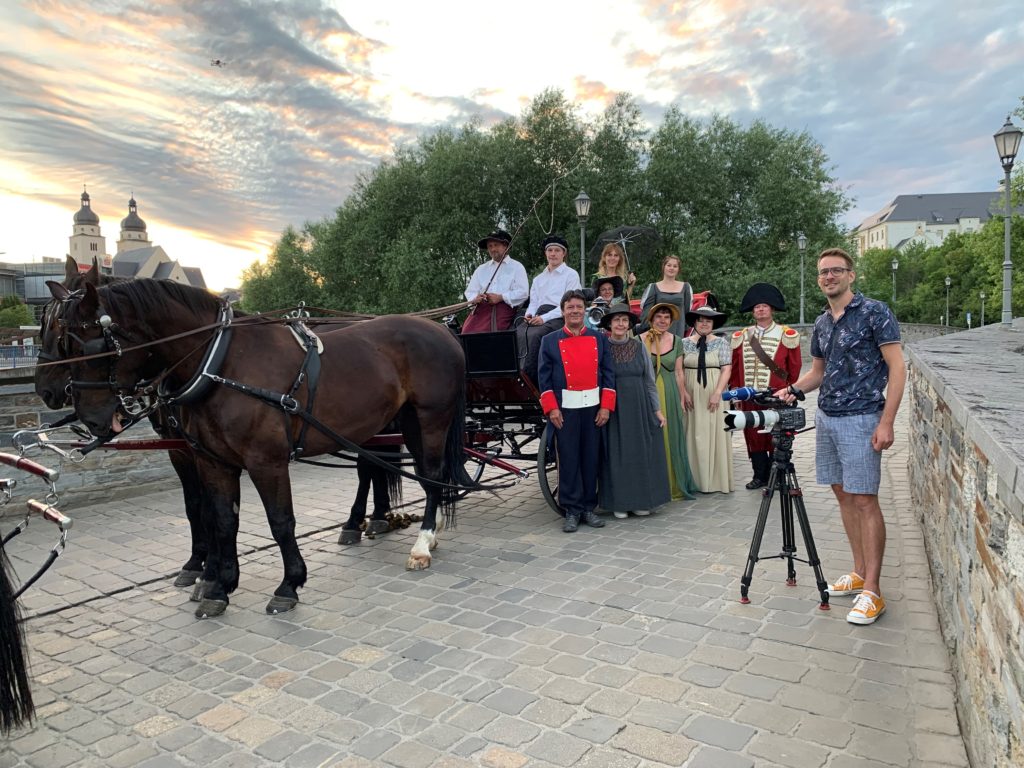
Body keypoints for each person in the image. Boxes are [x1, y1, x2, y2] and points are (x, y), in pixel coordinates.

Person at [776, 247, 904, 626]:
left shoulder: (874, 313)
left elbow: (897, 368)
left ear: (851, 275)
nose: (828, 277)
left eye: (836, 271)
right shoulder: (822, 322)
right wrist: (795, 390)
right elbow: (818, 372)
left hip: (863, 419)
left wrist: (887, 422)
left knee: (865, 500)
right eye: (823, 273)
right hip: (827, 419)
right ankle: (860, 571)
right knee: (843, 495)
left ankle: (873, 592)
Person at [539, 290, 616, 532]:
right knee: (569, 459)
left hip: (593, 408)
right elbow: (544, 379)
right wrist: (552, 409)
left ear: (585, 310)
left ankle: (587, 508)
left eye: (579, 307)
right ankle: (571, 510)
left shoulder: (599, 338)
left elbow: (608, 373)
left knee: (590, 458)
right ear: (563, 311)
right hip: (566, 409)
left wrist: (606, 406)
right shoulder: (549, 341)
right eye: (570, 307)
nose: (574, 311)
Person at [597, 303, 670, 518]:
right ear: (609, 324)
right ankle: (620, 502)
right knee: (618, 454)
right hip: (614, 409)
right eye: (616, 320)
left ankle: (641, 500)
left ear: (629, 324)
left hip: (639, 407)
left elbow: (649, 381)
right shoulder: (602, 348)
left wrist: (657, 410)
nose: (620, 324)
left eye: (624, 320)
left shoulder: (640, 347)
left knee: (640, 453)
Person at [729, 283, 802, 489]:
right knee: (753, 436)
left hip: (776, 397)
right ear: (752, 311)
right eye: (756, 307)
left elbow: (794, 368)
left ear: (772, 310)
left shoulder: (786, 335)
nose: (760, 310)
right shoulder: (741, 336)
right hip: (749, 397)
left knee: (775, 436)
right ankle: (759, 475)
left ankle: (777, 477)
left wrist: (789, 391)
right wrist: (736, 393)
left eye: (764, 306)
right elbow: (735, 369)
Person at [638, 303, 697, 501]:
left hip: (670, 391)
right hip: (647, 393)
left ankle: (673, 485)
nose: (662, 321)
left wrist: (682, 396)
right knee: (651, 438)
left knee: (670, 437)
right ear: (651, 319)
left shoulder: (677, 341)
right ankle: (651, 485)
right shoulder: (639, 340)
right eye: (659, 317)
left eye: (666, 318)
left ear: (671, 322)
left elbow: (680, 372)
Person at [681, 306, 733, 494]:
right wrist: (683, 392)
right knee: (691, 433)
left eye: (708, 321)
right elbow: (679, 371)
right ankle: (693, 479)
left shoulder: (721, 343)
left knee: (714, 431)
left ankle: (715, 480)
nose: (704, 323)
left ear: (713, 324)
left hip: (713, 393)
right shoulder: (684, 343)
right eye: (701, 320)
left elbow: (727, 369)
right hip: (690, 394)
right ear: (695, 322)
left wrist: (718, 392)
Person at [517, 235, 582, 381]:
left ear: (563, 253)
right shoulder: (538, 279)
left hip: (559, 317)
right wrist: (529, 315)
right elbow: (533, 302)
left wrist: (543, 318)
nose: (553, 254)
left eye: (557, 250)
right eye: (550, 250)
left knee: (535, 335)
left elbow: (569, 305)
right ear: (546, 253)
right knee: (517, 332)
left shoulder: (571, 275)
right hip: (538, 316)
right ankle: (515, 375)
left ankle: (530, 378)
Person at [462, 229, 529, 334]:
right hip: (481, 310)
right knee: (466, 331)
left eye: (496, 245)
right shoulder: (481, 269)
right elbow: (470, 291)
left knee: (492, 334)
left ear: (506, 246)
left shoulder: (517, 267)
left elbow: (523, 293)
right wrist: (475, 298)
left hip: (504, 310)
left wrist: (500, 297)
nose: (493, 249)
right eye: (490, 246)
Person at [638, 255, 693, 336]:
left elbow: (687, 311)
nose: (672, 268)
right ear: (663, 267)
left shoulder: (686, 287)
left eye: (675, 266)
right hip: (658, 330)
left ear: (678, 269)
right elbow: (647, 313)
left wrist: (686, 329)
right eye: (669, 265)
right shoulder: (653, 287)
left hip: (678, 330)